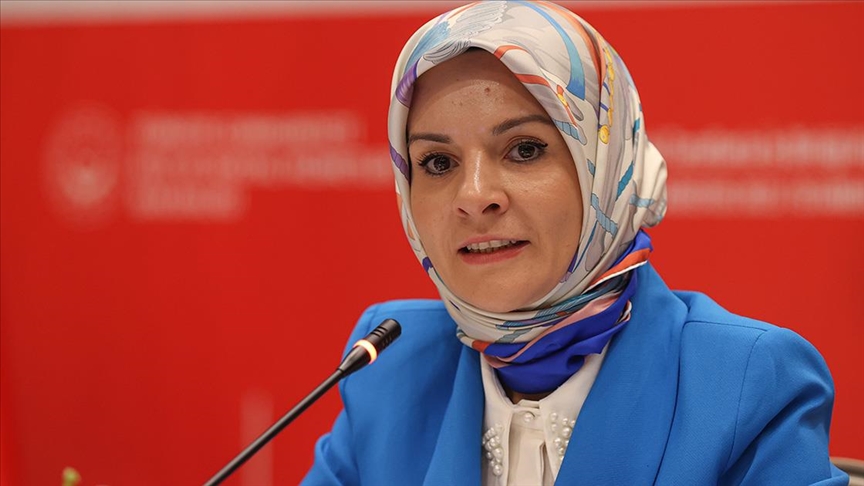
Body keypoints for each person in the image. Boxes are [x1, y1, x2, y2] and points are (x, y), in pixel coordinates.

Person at [303, 1, 847, 484]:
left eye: (524, 149)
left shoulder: (745, 383)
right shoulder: (387, 368)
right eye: (438, 162)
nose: (474, 197)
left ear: (606, 168)